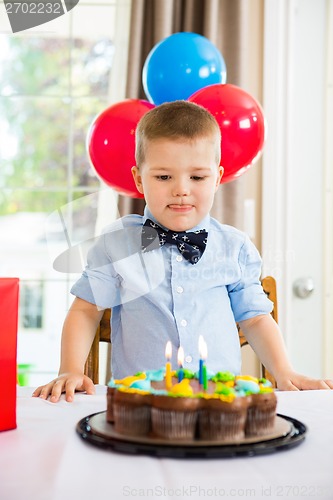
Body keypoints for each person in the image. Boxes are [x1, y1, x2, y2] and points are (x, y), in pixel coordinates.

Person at [33, 100, 333, 403]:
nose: (181, 189)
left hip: (220, 402)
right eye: (164, 177)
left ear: (217, 178)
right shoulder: (117, 243)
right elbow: (85, 311)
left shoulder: (234, 247)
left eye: (197, 177)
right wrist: (69, 369)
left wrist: (284, 371)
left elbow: (255, 318)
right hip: (139, 402)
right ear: (139, 178)